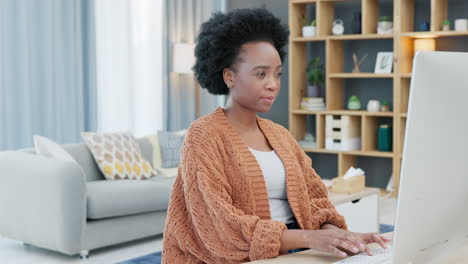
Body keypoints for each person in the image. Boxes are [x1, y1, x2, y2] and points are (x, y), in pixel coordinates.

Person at [162, 8, 391, 264]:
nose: (273, 84)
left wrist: (339, 237)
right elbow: (220, 227)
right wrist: (309, 239)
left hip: (298, 251)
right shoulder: (203, 135)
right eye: (261, 74)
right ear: (229, 76)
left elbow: (314, 202)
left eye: (278, 74)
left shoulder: (280, 135)